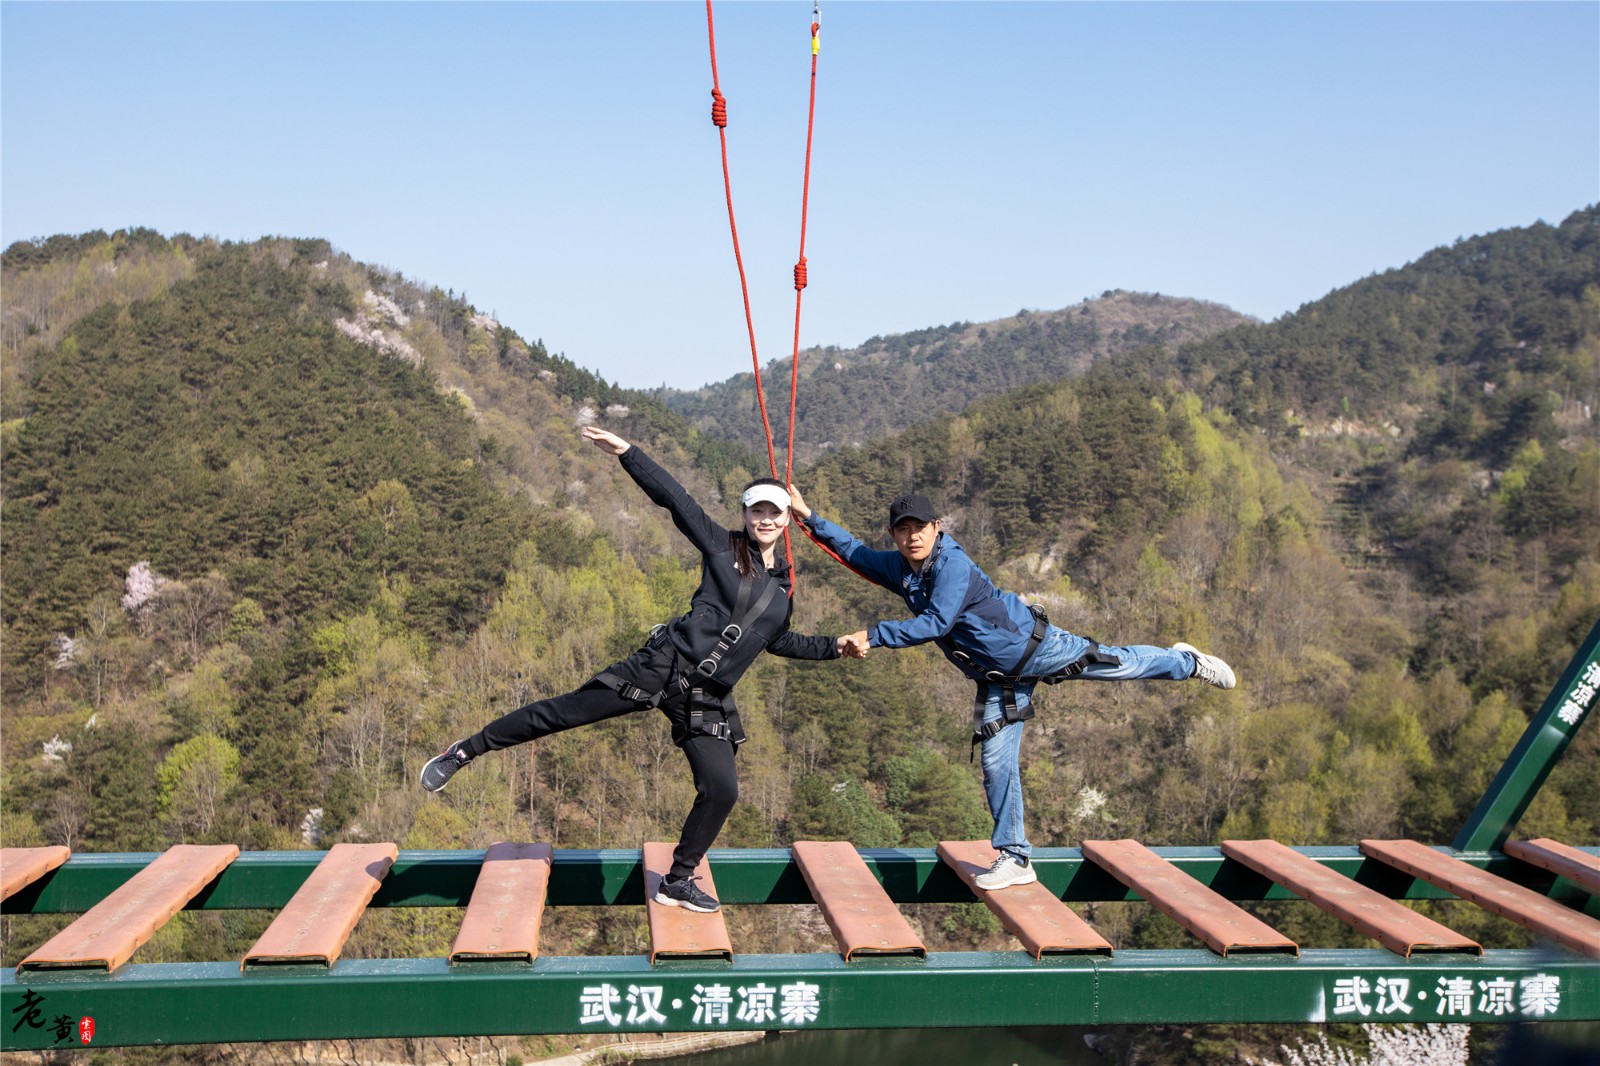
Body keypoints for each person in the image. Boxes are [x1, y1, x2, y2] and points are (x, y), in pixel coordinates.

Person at [421, 426, 866, 913]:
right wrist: (628, 454)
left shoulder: (782, 591)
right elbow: (676, 500)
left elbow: (779, 641)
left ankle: (677, 881)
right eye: (756, 509)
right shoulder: (722, 548)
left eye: (772, 512)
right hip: (661, 667)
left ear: (785, 521)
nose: (763, 518)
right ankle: (463, 752)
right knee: (562, 714)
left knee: (721, 790)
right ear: (744, 514)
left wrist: (834, 647)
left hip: (705, 696)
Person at [788, 488, 1236, 891]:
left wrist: (874, 634)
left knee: (1116, 664)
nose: (912, 538)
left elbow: (936, 623)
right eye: (902, 531)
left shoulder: (952, 565)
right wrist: (809, 517)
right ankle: (1016, 856)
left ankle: (1188, 662)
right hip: (998, 679)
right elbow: (854, 552)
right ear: (895, 535)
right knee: (995, 761)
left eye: (920, 528)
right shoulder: (902, 569)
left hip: (1035, 649)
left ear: (936, 528)